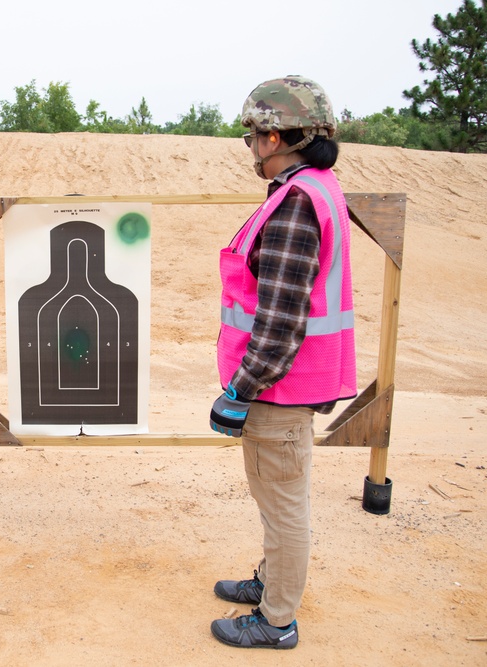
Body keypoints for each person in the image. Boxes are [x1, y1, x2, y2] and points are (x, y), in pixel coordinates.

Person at [208, 75, 356, 649]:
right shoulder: (317, 186)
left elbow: (281, 319)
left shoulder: (296, 203)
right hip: (287, 385)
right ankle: (270, 583)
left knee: (284, 503)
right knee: (273, 494)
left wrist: (240, 390)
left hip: (280, 388)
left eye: (251, 137)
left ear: (273, 138)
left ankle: (276, 621)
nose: (250, 148)